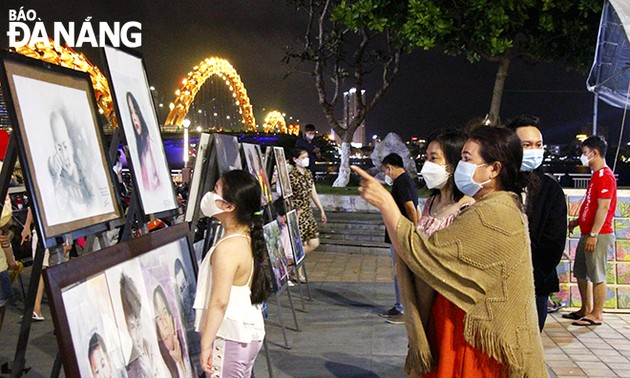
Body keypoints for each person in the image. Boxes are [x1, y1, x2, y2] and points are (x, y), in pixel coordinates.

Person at [352, 126, 547, 377]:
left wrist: (387, 204)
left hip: (469, 336)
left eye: (467, 159)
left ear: (494, 169)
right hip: (453, 326)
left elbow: (425, 253)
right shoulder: (488, 206)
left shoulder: (494, 213)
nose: (461, 167)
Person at [194, 170, 271, 377]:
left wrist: (205, 344)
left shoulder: (228, 248)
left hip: (229, 336)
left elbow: (219, 301)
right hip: (243, 334)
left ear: (229, 206)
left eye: (215, 191)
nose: (210, 195)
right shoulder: (245, 237)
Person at [507, 115, 567, 331]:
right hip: (497, 287)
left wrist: (528, 278)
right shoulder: (496, 185)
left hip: (535, 287)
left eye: (538, 145)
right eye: (526, 145)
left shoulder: (551, 190)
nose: (534, 150)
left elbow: (554, 243)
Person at [563, 135, 617, 327]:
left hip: (599, 235)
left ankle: (597, 314)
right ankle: (585, 309)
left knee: (597, 274)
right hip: (588, 233)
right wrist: (577, 222)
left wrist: (594, 233)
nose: (583, 157)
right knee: (580, 271)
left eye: (585, 153)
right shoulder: (596, 177)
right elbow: (591, 206)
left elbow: (603, 208)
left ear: (594, 153)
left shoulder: (605, 177)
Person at [379, 153, 419, 325]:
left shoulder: (401, 183)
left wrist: (414, 228)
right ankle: (399, 306)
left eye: (385, 171)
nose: (386, 175)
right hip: (400, 232)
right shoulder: (406, 180)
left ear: (390, 167)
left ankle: (402, 309)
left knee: (399, 272)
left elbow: (410, 207)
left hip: (400, 233)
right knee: (399, 271)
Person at [288, 148, 327, 282]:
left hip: (307, 212)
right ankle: (296, 271)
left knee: (313, 242)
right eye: (303, 157)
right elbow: (287, 196)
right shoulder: (291, 176)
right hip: (297, 212)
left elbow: (313, 192)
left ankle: (292, 264)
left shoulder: (308, 173)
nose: (306, 159)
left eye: (306, 156)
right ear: (295, 159)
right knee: (302, 243)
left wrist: (321, 209)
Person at [48, 110, 95, 214]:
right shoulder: (57, 179)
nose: (64, 155)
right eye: (59, 149)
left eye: (65, 147)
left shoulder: (85, 173)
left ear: (71, 145)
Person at [119, 272, 161, 377]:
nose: (137, 334)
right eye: (132, 327)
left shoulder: (148, 347)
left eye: (138, 325)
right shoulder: (130, 365)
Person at [153, 285, 192, 378]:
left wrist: (180, 362)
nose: (165, 322)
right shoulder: (158, 366)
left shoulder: (184, 350)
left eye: (165, 312)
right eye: (159, 318)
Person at [127, 92, 161, 191]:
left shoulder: (151, 145)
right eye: (130, 112)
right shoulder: (138, 147)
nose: (134, 118)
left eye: (136, 112)